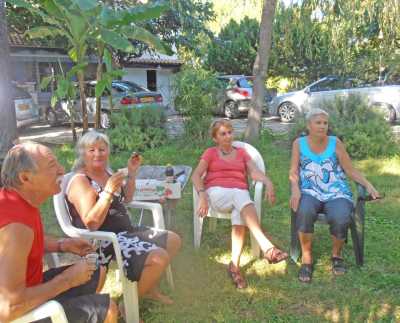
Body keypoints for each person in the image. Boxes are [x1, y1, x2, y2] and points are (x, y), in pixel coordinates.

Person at [0, 142, 118, 323]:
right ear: (25, 178)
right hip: (16, 311)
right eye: (51, 166)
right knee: (109, 309)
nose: (62, 170)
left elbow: (28, 242)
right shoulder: (15, 227)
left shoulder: (17, 200)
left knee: (98, 271)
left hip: (29, 288)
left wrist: (62, 245)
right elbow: (9, 308)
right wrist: (67, 280)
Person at [66, 131, 181, 305]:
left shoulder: (106, 172)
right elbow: (92, 223)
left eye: (102, 149)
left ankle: (147, 287)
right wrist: (108, 191)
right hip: (106, 240)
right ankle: (127, 307)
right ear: (83, 153)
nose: (98, 154)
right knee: (159, 257)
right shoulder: (80, 181)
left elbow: (126, 198)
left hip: (126, 232)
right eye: (92, 150)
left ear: (108, 151)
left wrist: (132, 174)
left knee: (173, 240)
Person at [192, 119, 288, 289]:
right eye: (223, 134)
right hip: (217, 194)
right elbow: (196, 175)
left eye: (230, 132)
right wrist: (201, 196)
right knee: (241, 196)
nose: (228, 136)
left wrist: (269, 183)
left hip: (238, 197)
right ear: (215, 138)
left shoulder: (242, 153)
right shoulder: (210, 153)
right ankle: (267, 247)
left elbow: (255, 172)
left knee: (239, 210)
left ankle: (234, 266)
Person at [289, 108, 380, 283]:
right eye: (318, 123)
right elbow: (293, 171)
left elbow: (350, 170)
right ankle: (307, 258)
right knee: (305, 210)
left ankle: (336, 256)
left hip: (336, 190)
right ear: (309, 125)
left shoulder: (335, 142)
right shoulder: (298, 144)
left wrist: (367, 184)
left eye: (325, 123)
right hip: (309, 190)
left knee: (340, 215)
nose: (322, 126)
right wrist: (295, 187)